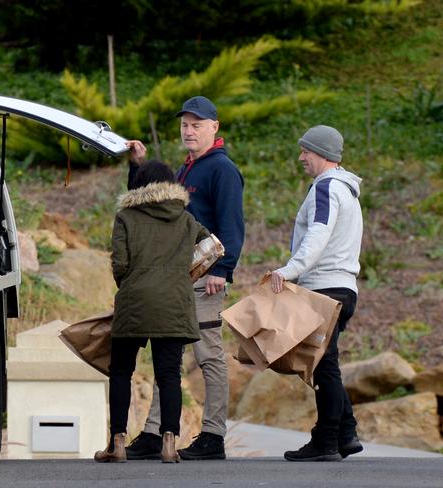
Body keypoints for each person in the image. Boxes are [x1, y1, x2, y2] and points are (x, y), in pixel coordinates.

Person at [124, 95, 245, 461]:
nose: (189, 131)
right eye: (184, 125)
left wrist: (222, 271)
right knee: (167, 355)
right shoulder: (187, 168)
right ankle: (154, 432)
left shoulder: (221, 170)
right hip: (177, 279)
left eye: (196, 125)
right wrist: (138, 167)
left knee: (209, 354)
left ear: (214, 127)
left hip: (206, 277)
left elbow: (232, 225)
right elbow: (154, 205)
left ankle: (213, 435)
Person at [94, 160, 210, 464]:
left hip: (135, 300)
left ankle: (117, 442)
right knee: (169, 376)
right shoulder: (186, 219)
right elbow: (211, 245)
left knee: (121, 371)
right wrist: (186, 274)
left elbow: (119, 263)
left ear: (140, 185)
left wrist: (131, 284)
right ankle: (169, 443)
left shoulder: (126, 217)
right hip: (174, 302)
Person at [270, 125, 363, 462]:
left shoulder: (326, 188)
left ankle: (325, 442)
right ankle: (346, 433)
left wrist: (289, 270)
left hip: (324, 288)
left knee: (323, 366)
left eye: (305, 151)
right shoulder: (346, 190)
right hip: (344, 286)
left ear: (322, 153)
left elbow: (318, 235)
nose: (301, 157)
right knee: (326, 362)